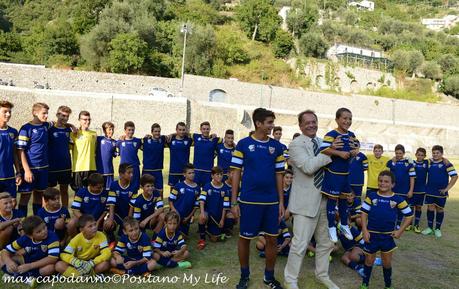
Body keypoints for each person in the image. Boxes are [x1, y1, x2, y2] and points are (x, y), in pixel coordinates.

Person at [284, 109, 341, 289]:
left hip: (325, 200)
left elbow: (335, 169)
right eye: (307, 122)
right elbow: (308, 167)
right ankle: (290, 280)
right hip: (304, 203)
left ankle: (322, 275)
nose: (311, 125)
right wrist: (331, 152)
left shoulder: (322, 142)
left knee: (326, 243)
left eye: (314, 121)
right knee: (300, 245)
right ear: (300, 125)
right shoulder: (295, 144)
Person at [231, 108, 286, 289]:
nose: (272, 126)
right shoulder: (243, 144)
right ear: (259, 123)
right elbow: (236, 173)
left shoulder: (277, 147)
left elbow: (280, 175)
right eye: (269, 122)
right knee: (245, 238)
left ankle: (269, 277)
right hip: (248, 201)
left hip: (271, 202)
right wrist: (233, 202)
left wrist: (281, 202)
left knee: (272, 240)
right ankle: (244, 276)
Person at [360, 170, 413, 289]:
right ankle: (365, 284)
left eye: (386, 182)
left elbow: (409, 216)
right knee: (369, 260)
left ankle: (388, 286)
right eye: (380, 181)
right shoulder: (372, 196)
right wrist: (364, 230)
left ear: (392, 184)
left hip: (387, 236)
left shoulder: (398, 199)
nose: (382, 183)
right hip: (371, 235)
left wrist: (400, 231)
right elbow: (363, 213)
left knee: (387, 262)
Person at [320, 107, 357, 242]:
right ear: (337, 120)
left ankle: (344, 224)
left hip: (345, 175)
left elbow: (356, 146)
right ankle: (331, 227)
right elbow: (323, 149)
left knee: (344, 200)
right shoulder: (331, 134)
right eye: (344, 118)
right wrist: (339, 153)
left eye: (350, 119)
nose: (347, 121)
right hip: (333, 174)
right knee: (332, 200)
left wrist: (355, 151)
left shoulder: (351, 134)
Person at [1, 216, 59, 282]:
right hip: (27, 260)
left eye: (44, 227)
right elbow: (5, 250)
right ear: (30, 235)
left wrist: (30, 266)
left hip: (42, 264)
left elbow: (52, 258)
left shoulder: (52, 236)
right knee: (2, 258)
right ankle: (26, 277)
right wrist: (8, 262)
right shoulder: (24, 238)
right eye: (39, 231)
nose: (44, 231)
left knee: (50, 268)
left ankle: (19, 276)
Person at [17, 102, 51, 216]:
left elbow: (59, 123)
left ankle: (37, 222)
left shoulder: (46, 126)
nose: (46, 116)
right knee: (25, 196)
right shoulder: (26, 128)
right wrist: (26, 170)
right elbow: (20, 151)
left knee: (39, 196)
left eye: (47, 113)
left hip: (43, 168)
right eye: (44, 113)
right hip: (30, 168)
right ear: (34, 113)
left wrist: (71, 125)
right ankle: (21, 224)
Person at [421, 145, 458, 238]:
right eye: (434, 153)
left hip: (441, 192)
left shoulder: (446, 163)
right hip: (430, 190)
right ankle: (429, 228)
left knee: (440, 209)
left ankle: (437, 229)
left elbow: (454, 176)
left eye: (438, 153)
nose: (435, 154)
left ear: (442, 154)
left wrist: (447, 189)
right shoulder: (429, 162)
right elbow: (418, 160)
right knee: (430, 208)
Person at [197, 166, 230, 249]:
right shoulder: (207, 186)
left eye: (221, 175)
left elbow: (225, 206)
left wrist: (222, 219)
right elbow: (202, 200)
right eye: (217, 174)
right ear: (212, 176)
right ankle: (202, 238)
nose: (219, 176)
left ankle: (210, 230)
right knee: (201, 217)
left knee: (214, 239)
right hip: (209, 214)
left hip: (218, 217)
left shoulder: (225, 189)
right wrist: (202, 213)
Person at [48, 106, 73, 208]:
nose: (64, 118)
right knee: (49, 192)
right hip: (52, 166)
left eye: (66, 116)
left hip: (65, 166)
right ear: (57, 114)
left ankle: (65, 212)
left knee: (64, 191)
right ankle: (48, 212)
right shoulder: (49, 129)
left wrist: (71, 125)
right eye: (62, 115)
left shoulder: (69, 130)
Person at [386, 144, 415, 228]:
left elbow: (412, 178)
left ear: (404, 153)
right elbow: (386, 174)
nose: (398, 155)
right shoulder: (391, 162)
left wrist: (411, 190)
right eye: (397, 153)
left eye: (400, 153)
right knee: (391, 206)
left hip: (404, 190)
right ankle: (390, 223)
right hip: (393, 189)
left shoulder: (408, 163)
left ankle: (398, 224)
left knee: (400, 207)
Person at [105, 163, 137, 239]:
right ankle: (111, 239)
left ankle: (122, 231)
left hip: (129, 214)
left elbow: (132, 205)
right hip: (117, 214)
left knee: (127, 235)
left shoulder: (134, 186)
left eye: (132, 172)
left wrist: (128, 220)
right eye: (129, 173)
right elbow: (111, 203)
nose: (131, 175)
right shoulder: (114, 185)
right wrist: (111, 218)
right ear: (121, 174)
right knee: (107, 224)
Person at [168, 164, 200, 237]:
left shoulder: (197, 188)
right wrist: (174, 210)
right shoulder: (178, 186)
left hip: (186, 218)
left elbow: (196, 206)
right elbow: (170, 199)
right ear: (184, 174)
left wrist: (189, 217)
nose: (192, 175)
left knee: (182, 237)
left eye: (193, 173)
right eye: (189, 173)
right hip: (175, 215)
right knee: (170, 234)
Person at [0, 101, 22, 201]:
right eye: (5, 111)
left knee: (11, 204)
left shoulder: (13, 132)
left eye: (9, 112)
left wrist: (18, 172)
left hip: (9, 176)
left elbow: (15, 154)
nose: (8, 114)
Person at [71, 111, 97, 192]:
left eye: (89, 119)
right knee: (79, 193)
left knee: (90, 193)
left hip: (91, 168)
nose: (87, 121)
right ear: (79, 120)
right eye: (85, 119)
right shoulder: (73, 134)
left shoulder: (94, 134)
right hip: (78, 168)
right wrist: (71, 125)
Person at [191, 121, 220, 187]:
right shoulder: (195, 137)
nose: (206, 131)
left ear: (210, 129)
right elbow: (184, 134)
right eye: (204, 129)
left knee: (206, 191)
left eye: (207, 129)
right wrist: (171, 135)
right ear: (200, 129)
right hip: (197, 170)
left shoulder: (214, 139)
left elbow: (226, 141)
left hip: (208, 171)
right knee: (195, 190)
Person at [142, 123, 167, 197]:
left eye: (159, 131)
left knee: (160, 191)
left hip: (158, 170)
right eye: (155, 131)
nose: (157, 133)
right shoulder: (145, 140)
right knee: (146, 191)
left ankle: (160, 206)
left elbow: (174, 135)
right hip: (147, 170)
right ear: (152, 132)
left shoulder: (162, 139)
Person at [116, 121, 142, 192]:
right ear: (125, 130)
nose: (131, 132)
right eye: (129, 130)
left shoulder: (137, 141)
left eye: (132, 130)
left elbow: (146, 141)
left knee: (135, 187)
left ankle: (133, 202)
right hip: (124, 168)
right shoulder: (119, 142)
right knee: (123, 186)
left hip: (134, 167)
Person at [167, 122, 192, 188]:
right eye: (180, 130)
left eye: (183, 130)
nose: (181, 132)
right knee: (173, 189)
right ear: (176, 130)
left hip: (185, 170)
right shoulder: (170, 140)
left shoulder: (189, 139)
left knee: (185, 189)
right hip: (174, 170)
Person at [96, 122, 117, 192]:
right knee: (99, 190)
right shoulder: (99, 139)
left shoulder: (114, 142)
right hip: (99, 171)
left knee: (109, 191)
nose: (111, 131)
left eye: (112, 129)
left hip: (109, 171)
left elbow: (115, 154)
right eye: (109, 129)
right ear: (104, 130)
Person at [412, 147, 429, 233]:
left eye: (422, 155)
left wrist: (444, 159)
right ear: (415, 155)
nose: (420, 156)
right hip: (412, 189)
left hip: (421, 190)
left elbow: (437, 159)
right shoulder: (411, 162)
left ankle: (416, 225)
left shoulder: (427, 162)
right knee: (410, 207)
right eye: (418, 155)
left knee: (418, 207)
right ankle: (409, 224)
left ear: (424, 156)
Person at [348, 141, 368, 208]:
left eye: (356, 146)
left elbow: (365, 167)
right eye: (352, 146)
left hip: (358, 182)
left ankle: (357, 213)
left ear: (359, 146)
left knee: (357, 198)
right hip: (348, 181)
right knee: (347, 197)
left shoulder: (363, 156)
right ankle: (348, 212)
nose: (354, 148)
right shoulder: (348, 155)